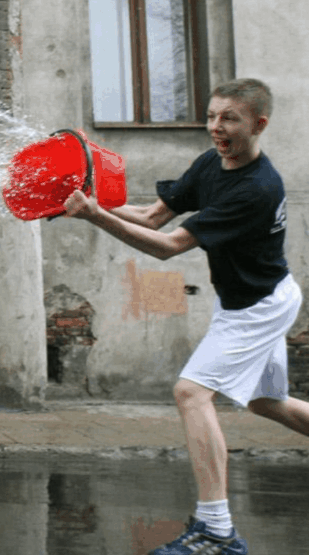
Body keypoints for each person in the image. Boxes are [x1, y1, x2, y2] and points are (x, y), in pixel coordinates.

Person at [63, 78, 307, 555]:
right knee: (264, 403)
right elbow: (154, 217)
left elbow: (169, 246)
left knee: (191, 392)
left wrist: (93, 216)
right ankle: (216, 530)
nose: (216, 127)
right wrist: (93, 202)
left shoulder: (257, 188)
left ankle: (217, 531)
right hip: (261, 296)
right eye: (212, 115)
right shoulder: (211, 163)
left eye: (229, 118)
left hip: (257, 307)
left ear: (259, 124)